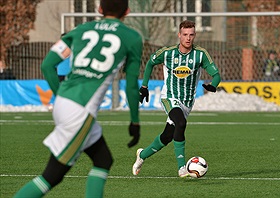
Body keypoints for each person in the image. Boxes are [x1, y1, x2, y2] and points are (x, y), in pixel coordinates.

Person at [14, 0, 143, 197]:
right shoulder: (132, 37)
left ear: (100, 9)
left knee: (103, 160)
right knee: (51, 176)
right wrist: (134, 121)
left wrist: (60, 96)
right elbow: (132, 85)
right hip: (80, 112)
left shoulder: (80, 30)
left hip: (66, 102)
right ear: (127, 11)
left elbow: (48, 65)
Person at [132, 20, 221, 178]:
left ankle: (142, 155)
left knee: (167, 136)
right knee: (181, 122)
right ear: (179, 35)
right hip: (169, 97)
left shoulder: (200, 54)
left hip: (187, 102)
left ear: (195, 36)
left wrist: (213, 85)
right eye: (185, 34)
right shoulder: (167, 53)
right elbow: (150, 63)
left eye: (191, 35)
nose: (188, 38)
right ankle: (182, 168)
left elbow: (216, 74)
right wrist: (144, 86)